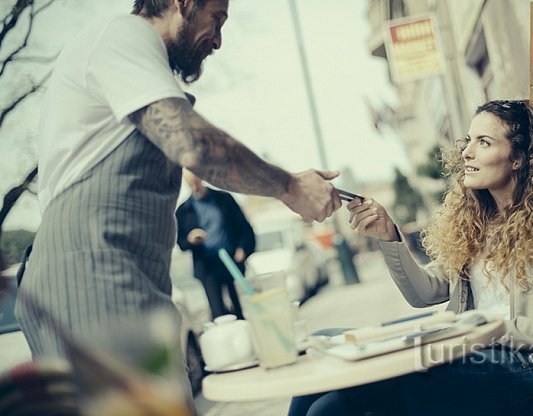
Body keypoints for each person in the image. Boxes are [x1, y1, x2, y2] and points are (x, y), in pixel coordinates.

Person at [15, 0, 341, 403]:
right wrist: (290, 187)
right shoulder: (122, 35)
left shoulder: (134, 59)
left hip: (113, 282)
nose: (218, 41)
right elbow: (193, 143)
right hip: (89, 273)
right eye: (217, 19)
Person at [290, 100, 533, 416]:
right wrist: (389, 234)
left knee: (337, 405)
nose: (467, 152)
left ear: (518, 157)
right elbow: (424, 293)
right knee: (315, 382)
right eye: (468, 141)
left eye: (483, 142)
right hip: (470, 354)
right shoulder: (477, 222)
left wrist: (483, 329)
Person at [176, 169, 255, 319]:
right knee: (219, 313)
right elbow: (180, 242)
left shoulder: (224, 199)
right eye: (189, 185)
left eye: (196, 183)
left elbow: (244, 227)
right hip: (207, 267)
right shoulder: (183, 210)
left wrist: (243, 249)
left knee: (242, 309)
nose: (194, 188)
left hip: (232, 261)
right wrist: (190, 239)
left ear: (202, 178)